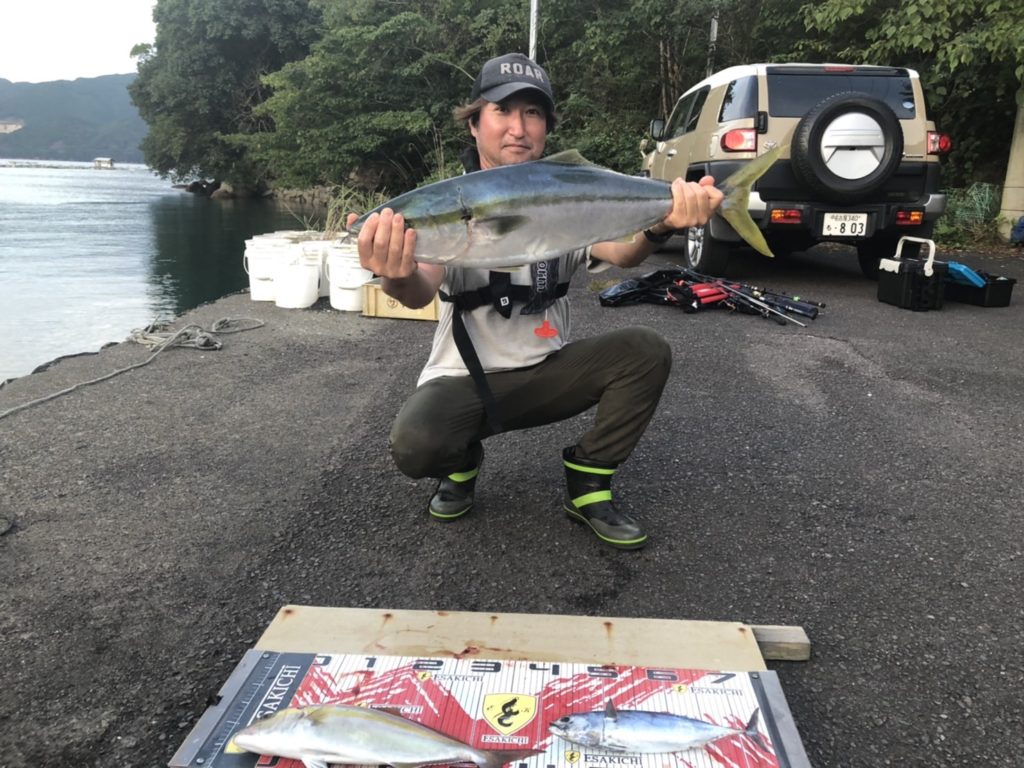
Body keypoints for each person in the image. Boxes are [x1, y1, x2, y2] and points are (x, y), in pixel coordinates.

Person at [348, 53, 723, 549]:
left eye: (533, 113)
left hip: (549, 371)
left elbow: (625, 253)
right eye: (502, 111)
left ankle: (589, 480)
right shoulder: (449, 202)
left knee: (645, 351)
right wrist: (394, 275)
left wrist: (662, 221)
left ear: (546, 126)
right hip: (466, 380)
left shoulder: (571, 190)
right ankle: (461, 464)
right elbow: (419, 288)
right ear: (475, 124)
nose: (518, 128)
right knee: (416, 444)